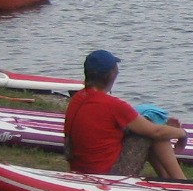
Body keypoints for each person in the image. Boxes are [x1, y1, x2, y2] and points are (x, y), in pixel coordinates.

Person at [62, 49, 186, 179]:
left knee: (147, 128)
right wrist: (182, 133)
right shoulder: (112, 105)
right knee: (151, 133)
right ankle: (181, 181)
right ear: (111, 75)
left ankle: (169, 180)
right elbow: (155, 132)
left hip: (79, 167)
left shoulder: (77, 99)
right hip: (106, 174)